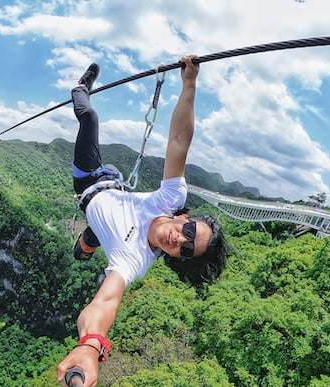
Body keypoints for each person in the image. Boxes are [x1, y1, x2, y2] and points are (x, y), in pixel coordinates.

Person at [56, 55, 229, 386]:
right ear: (185, 217)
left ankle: (88, 242)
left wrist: (91, 346)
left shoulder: (134, 261)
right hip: (113, 183)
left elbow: (106, 300)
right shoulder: (170, 199)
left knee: (89, 118)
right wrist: (189, 83)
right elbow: (179, 141)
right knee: (96, 236)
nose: (181, 239)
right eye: (189, 231)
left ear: (178, 259)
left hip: (89, 183)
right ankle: (81, 88)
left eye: (187, 249)